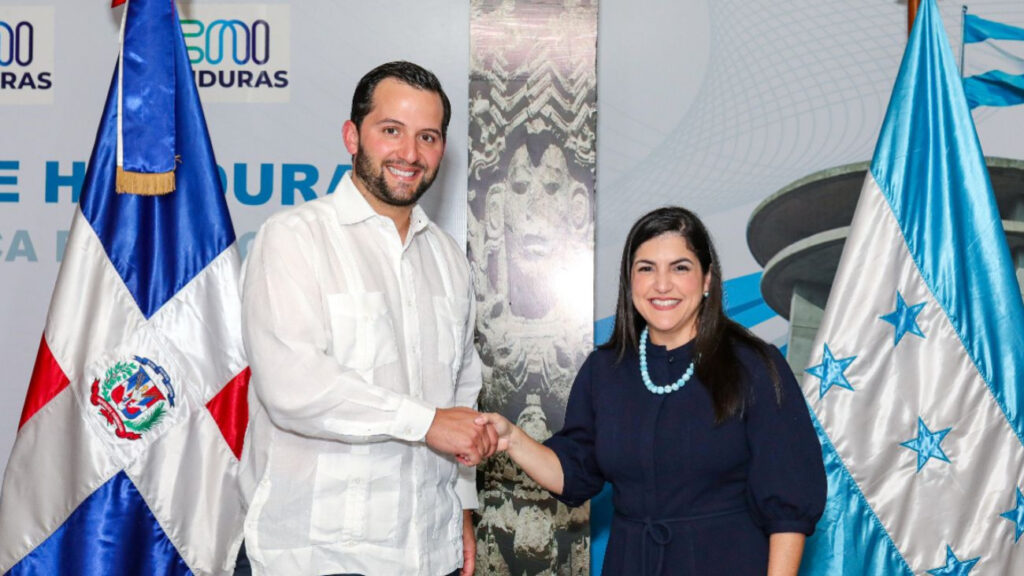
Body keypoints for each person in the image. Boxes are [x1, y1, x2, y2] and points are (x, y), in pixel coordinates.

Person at [239, 61, 495, 576]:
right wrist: (426, 423)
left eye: (427, 137)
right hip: (318, 557)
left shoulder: (448, 259)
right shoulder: (294, 238)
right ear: (352, 136)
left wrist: (462, 508)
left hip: (431, 551)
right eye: (391, 131)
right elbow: (293, 387)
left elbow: (461, 397)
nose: (410, 154)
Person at [477, 206, 827, 576]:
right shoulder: (604, 370)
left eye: (680, 268)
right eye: (646, 268)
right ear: (630, 282)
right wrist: (512, 438)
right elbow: (575, 473)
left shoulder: (755, 365)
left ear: (707, 279)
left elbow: (788, 506)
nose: (662, 285)